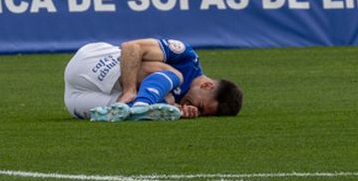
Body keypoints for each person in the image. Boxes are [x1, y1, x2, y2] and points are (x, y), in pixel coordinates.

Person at [65, 37, 243, 121]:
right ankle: (141, 103)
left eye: (202, 114)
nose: (197, 110)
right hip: (94, 63)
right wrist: (129, 90)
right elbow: (131, 47)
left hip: (75, 98)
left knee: (124, 112)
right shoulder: (186, 57)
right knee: (175, 78)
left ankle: (135, 109)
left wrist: (178, 111)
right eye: (201, 107)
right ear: (206, 85)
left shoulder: (186, 102)